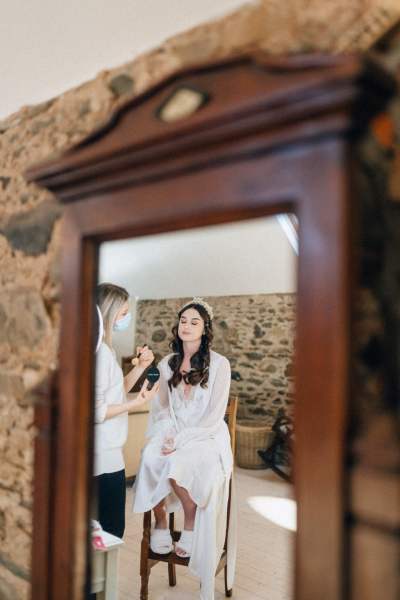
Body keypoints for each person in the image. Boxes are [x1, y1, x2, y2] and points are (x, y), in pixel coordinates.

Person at [133, 297, 236, 600]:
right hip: (172, 431)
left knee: (183, 462)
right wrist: (167, 435)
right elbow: (163, 407)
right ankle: (161, 521)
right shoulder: (167, 363)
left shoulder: (219, 365)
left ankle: (191, 523)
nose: (187, 326)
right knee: (150, 456)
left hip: (206, 436)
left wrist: (180, 441)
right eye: (183, 321)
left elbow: (214, 415)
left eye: (194, 322)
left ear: (205, 329)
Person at [95, 282, 160, 539]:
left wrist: (140, 367)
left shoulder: (106, 350)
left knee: (107, 530)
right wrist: (136, 403)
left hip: (110, 452)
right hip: (103, 456)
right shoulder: (99, 353)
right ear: (108, 313)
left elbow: (115, 391)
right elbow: (96, 410)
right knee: (110, 533)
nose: (126, 318)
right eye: (123, 313)